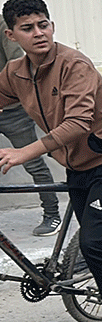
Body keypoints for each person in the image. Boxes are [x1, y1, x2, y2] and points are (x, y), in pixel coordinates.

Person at [0, 0, 102, 322]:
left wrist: (22, 154)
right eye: (28, 28)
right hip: (78, 166)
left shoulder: (74, 64)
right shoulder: (16, 73)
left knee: (95, 242)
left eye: (43, 24)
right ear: (11, 35)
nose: (39, 33)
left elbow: (78, 123)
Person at [0, 32, 59, 235]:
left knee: (32, 162)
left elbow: (16, 64)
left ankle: (52, 214)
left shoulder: (3, 24)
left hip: (13, 110)